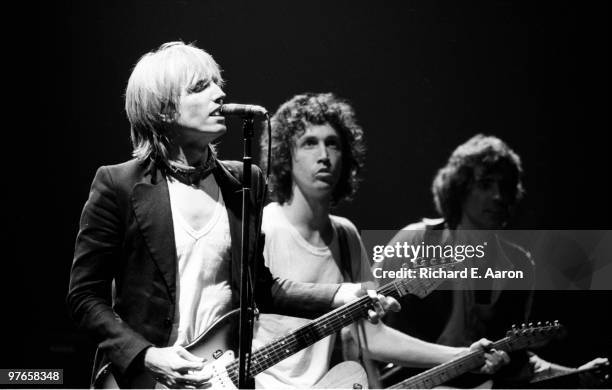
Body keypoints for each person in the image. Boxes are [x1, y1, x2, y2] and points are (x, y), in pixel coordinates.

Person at [66, 42, 397, 389]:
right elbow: (85, 297)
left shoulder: (244, 182)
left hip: (222, 379)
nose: (220, 93)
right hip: (143, 379)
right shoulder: (118, 184)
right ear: (163, 109)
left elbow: (262, 288)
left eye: (217, 83)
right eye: (200, 87)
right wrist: (147, 355)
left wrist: (340, 295)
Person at [252, 93, 510, 389]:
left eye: (332, 143)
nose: (324, 155)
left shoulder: (346, 236)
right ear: (286, 155)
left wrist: (463, 355)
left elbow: (371, 337)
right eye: (309, 142)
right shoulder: (262, 228)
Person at [379, 134, 608, 387]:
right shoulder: (417, 240)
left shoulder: (518, 262)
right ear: (460, 188)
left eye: (506, 186)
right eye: (486, 184)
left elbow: (517, 360)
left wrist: (575, 375)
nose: (498, 196)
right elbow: (367, 325)